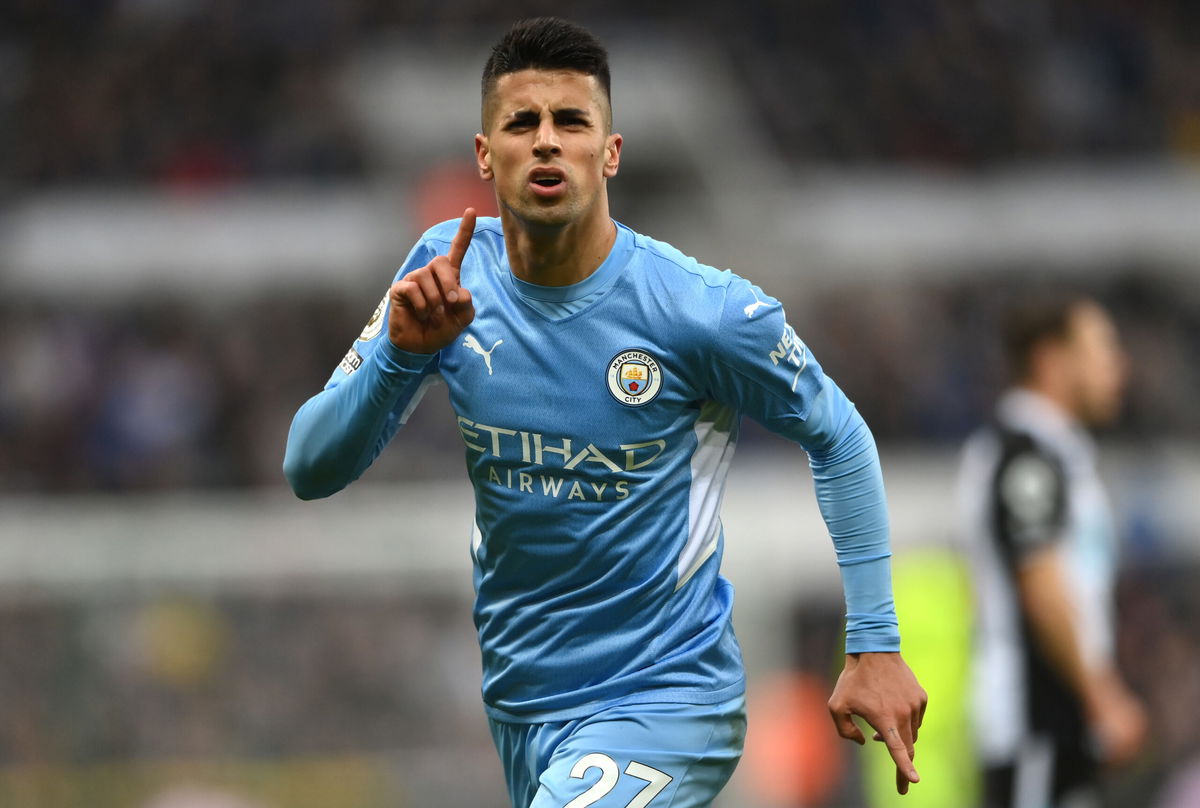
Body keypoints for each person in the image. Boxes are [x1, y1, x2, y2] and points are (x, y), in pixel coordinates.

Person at [284, 17, 926, 807]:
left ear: (610, 151)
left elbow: (841, 437)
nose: (546, 141)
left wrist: (875, 642)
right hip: (524, 708)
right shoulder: (446, 273)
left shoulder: (701, 311)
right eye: (523, 123)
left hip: (665, 698)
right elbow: (308, 467)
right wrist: (401, 355)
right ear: (485, 155)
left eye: (571, 122)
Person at [957, 296, 1147, 808]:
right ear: (1052, 359)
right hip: (1036, 722)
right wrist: (1103, 697)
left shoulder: (1051, 455)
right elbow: (1040, 587)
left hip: (1059, 722)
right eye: (1102, 349)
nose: (1118, 365)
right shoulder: (1027, 458)